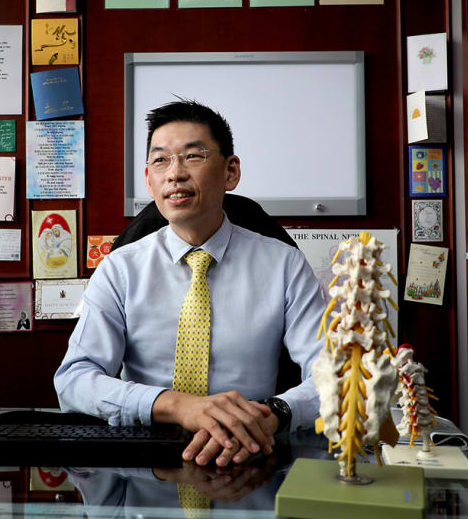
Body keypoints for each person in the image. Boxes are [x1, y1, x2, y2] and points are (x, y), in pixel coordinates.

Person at [54, 100, 326, 467]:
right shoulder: (120, 269)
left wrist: (272, 413)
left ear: (231, 172)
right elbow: (74, 381)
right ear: (148, 179)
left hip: (250, 455)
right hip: (144, 465)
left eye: (193, 156)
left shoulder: (284, 265)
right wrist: (177, 406)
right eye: (161, 160)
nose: (175, 174)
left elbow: (334, 375)